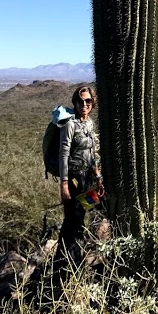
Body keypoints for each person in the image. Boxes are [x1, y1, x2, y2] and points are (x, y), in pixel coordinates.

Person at [54, 86, 105, 270]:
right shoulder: (70, 125)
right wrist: (64, 185)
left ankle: (69, 261)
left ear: (92, 103)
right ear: (75, 103)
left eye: (88, 101)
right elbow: (63, 155)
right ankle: (65, 266)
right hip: (74, 181)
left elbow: (93, 154)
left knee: (79, 217)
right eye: (80, 101)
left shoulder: (89, 123)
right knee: (73, 221)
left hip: (87, 181)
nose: (84, 105)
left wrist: (98, 178)